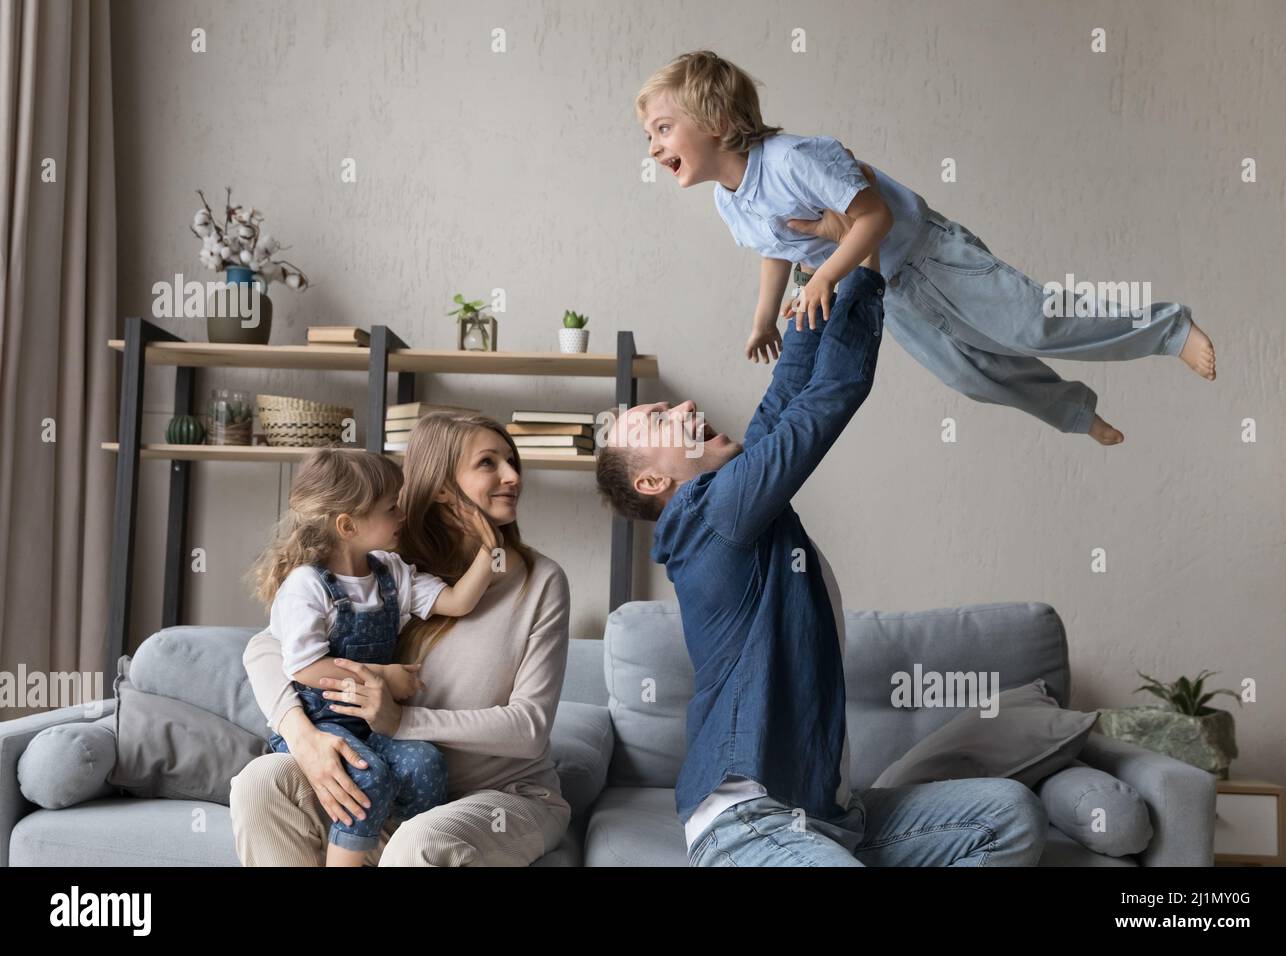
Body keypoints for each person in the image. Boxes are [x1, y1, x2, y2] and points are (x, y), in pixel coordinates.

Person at [594, 268, 1047, 866]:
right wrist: (863, 273)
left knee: (1004, 815)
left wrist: (814, 280)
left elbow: (785, 400)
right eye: (660, 418)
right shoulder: (711, 515)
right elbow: (831, 394)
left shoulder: (738, 504)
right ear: (653, 482)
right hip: (748, 825)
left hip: (832, 820)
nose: (686, 404)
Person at [636, 49, 1216, 445]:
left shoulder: (792, 159)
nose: (654, 147)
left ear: (713, 120)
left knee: (1036, 325)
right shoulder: (729, 201)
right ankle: (1077, 412)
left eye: (663, 129)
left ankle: (1169, 328)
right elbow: (778, 248)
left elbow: (874, 217)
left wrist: (824, 279)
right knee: (973, 375)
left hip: (928, 255)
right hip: (891, 292)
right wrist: (764, 318)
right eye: (648, 137)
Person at [230, 414, 572, 866]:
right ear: (442, 487)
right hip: (391, 780)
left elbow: (529, 730)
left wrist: (401, 722)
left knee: (420, 841)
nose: (513, 476)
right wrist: (303, 738)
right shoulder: (382, 565)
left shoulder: (541, 582)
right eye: (488, 463)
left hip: (499, 798)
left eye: (512, 461)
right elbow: (266, 648)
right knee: (262, 781)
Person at [244, 447, 499, 865]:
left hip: (372, 724)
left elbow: (456, 602)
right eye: (390, 508)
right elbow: (305, 667)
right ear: (347, 525)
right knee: (368, 775)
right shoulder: (306, 586)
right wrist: (380, 678)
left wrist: (490, 553)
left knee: (425, 762)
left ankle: (404, 851)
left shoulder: (391, 572)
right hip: (321, 720)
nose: (402, 515)